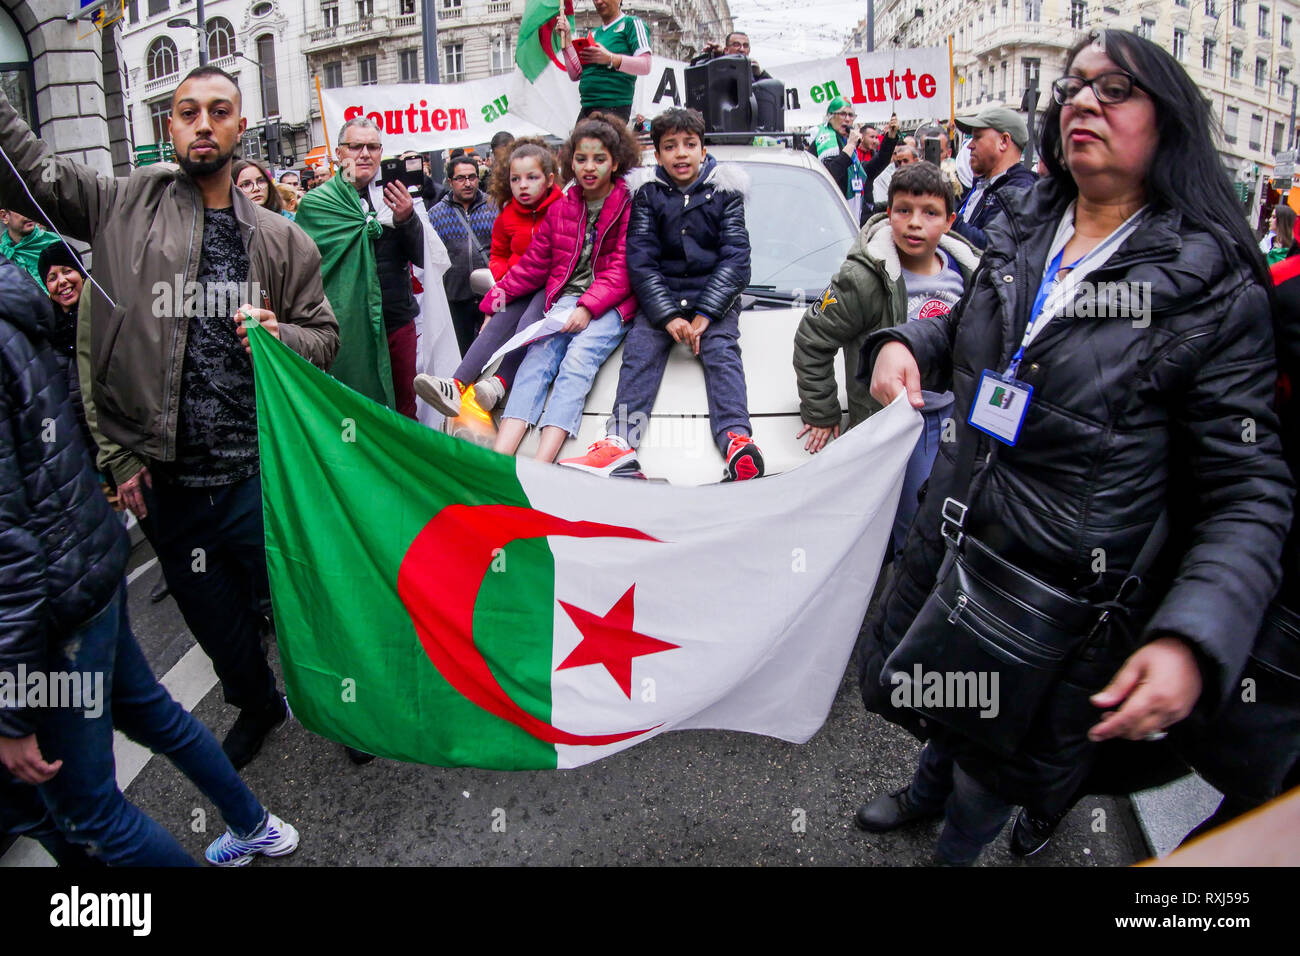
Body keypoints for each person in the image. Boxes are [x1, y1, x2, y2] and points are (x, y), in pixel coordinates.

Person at [853, 29, 1293, 866]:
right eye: (1074, 86)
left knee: (995, 763)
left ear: (1171, 124)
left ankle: (955, 845)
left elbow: (1249, 488)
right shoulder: (1027, 221)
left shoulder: (1213, 284)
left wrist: (1192, 636)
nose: (1083, 100)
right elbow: (985, 328)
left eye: (1116, 89)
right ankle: (924, 788)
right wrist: (908, 341)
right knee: (937, 697)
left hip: (1051, 592)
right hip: (957, 528)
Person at [0, 70, 340, 772]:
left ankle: (343, 704)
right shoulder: (121, 204)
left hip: (260, 477)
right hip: (169, 483)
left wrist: (284, 336)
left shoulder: (282, 239)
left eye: (219, 112)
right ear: (171, 127)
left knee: (307, 600)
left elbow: (324, 338)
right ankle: (257, 703)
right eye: (188, 113)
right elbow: (28, 171)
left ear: (239, 127)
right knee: (215, 621)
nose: (203, 124)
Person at [0, 258, 300, 867]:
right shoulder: (27, 309)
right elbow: (84, 394)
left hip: (49, 608)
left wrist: (10, 713)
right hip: (82, 570)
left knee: (89, 813)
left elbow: (8, 542)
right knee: (155, 714)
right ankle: (255, 822)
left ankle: (267, 801)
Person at [560, 107, 763, 482]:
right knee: (639, 355)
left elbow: (736, 258)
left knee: (722, 354)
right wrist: (668, 315)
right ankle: (619, 442)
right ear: (657, 154)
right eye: (670, 146)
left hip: (713, 303)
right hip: (662, 300)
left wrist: (706, 314)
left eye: (689, 145)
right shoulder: (647, 194)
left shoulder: (726, 192)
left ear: (703, 150)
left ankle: (737, 440)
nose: (681, 154)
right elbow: (641, 261)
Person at [794, 162, 979, 557]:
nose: (915, 223)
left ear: (950, 221)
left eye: (929, 213)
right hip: (891, 422)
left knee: (946, 514)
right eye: (903, 210)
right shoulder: (863, 278)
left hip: (951, 416)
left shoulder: (969, 274)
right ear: (887, 212)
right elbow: (813, 337)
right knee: (908, 525)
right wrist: (822, 410)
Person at [485, 113, 639, 463]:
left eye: (599, 159)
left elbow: (623, 268)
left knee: (577, 361)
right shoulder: (563, 208)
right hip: (567, 300)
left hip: (612, 305)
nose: (589, 167)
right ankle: (498, 460)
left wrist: (587, 308)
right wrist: (493, 303)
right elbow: (532, 265)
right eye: (581, 158)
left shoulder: (631, 203)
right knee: (536, 358)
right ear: (570, 160)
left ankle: (542, 464)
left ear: (615, 162)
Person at [415, 139, 562, 444]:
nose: (523, 185)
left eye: (531, 178)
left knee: (527, 322)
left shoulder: (563, 210)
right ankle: (455, 385)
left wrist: (505, 291)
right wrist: (503, 281)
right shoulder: (507, 215)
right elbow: (498, 255)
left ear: (549, 180)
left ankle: (501, 381)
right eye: (515, 179)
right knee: (494, 326)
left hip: (551, 288)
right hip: (517, 285)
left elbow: (555, 260)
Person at [297, 117, 426, 418]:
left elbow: (421, 258)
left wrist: (407, 218)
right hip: (346, 326)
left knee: (404, 406)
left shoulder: (397, 196)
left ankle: (399, 464)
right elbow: (306, 270)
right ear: (339, 153)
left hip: (396, 320)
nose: (365, 154)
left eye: (373, 147)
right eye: (355, 146)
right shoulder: (318, 204)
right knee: (352, 410)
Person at [426, 155, 498, 357]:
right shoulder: (435, 214)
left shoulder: (495, 207)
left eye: (472, 177)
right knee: (462, 351)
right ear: (450, 181)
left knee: (495, 349)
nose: (467, 183)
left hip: (493, 293)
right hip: (456, 295)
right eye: (460, 178)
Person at [950, 105, 1037, 249]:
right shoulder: (984, 185)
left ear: (1003, 141)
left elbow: (992, 247)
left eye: (977, 137)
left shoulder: (1020, 189)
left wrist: (947, 217)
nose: (970, 146)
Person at [554, 0, 652, 124]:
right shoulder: (592, 34)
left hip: (614, 108)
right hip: (586, 109)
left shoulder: (632, 23)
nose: (599, 2)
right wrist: (567, 39)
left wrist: (610, 58)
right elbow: (576, 74)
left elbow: (646, 65)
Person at [812, 99, 898, 225]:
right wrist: (851, 145)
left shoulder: (847, 145)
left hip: (858, 221)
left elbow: (877, 164)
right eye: (842, 114)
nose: (847, 119)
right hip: (834, 223)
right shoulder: (824, 142)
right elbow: (830, 176)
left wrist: (890, 137)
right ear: (830, 116)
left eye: (851, 115)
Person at [0, 209, 60, 287]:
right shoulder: (2, 255)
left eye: (29, 207)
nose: (29, 214)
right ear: (4, 216)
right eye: (22, 208)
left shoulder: (55, 243)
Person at [690, 31, 773, 82]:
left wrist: (760, 74)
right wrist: (717, 56)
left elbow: (772, 92)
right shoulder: (715, 66)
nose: (741, 49)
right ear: (726, 50)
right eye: (736, 45)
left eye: (745, 45)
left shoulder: (753, 72)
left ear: (749, 50)